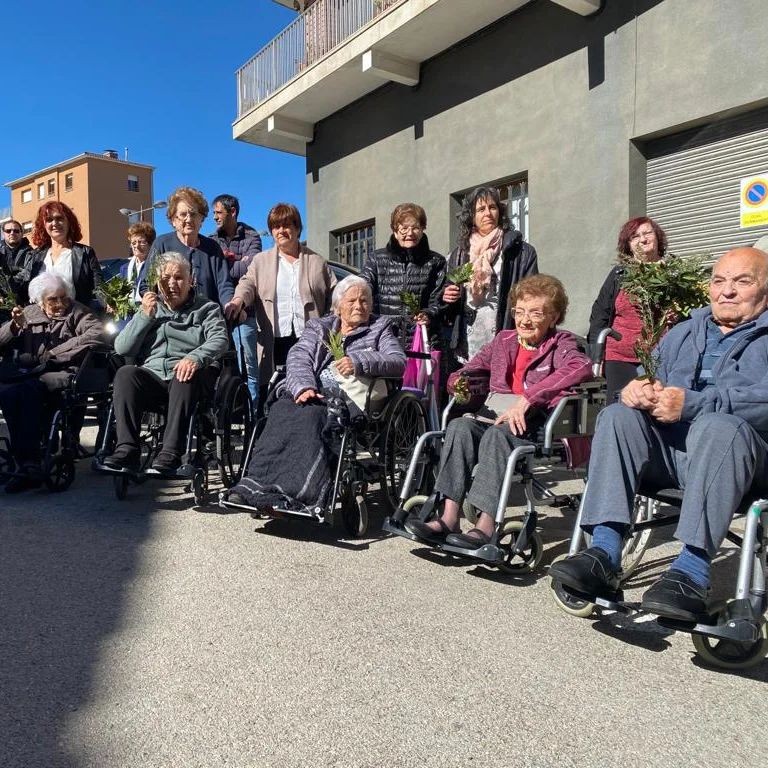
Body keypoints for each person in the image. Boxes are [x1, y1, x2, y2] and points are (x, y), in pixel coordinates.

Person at [551, 247, 768, 622]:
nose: (727, 290)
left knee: (719, 426)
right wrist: (636, 390)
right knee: (618, 416)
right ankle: (604, 554)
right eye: (719, 281)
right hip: (672, 455)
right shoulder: (684, 331)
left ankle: (691, 573)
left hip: (742, 462)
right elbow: (647, 378)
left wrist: (695, 405)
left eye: (742, 281)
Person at [406, 275, 591, 547]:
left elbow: (581, 367)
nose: (524, 320)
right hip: (496, 416)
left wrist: (529, 399)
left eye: (535, 313)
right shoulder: (504, 340)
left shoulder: (561, 343)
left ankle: (486, 525)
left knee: (496, 436)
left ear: (553, 317)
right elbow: (470, 368)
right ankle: (449, 517)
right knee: (459, 427)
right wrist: (458, 381)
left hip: (535, 423)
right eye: (520, 311)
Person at [226, 275, 405, 508]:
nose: (359, 306)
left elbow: (397, 361)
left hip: (346, 399)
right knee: (281, 412)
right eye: (352, 301)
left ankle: (298, 492)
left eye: (364, 301)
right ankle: (254, 486)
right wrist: (304, 387)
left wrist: (358, 361)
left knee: (313, 417)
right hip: (311, 390)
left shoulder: (379, 328)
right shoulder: (320, 327)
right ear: (337, 306)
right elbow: (299, 356)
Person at [101, 252, 229, 475]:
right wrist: (144, 316)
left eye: (178, 277)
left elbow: (220, 339)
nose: (172, 283)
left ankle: (171, 452)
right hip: (155, 377)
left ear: (191, 280)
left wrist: (194, 358)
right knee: (125, 373)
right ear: (157, 282)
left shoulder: (206, 308)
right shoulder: (150, 309)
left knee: (184, 375)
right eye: (166, 278)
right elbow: (122, 348)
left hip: (190, 378)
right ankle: (127, 449)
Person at [0, 273, 105, 493]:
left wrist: (56, 353)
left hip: (64, 372)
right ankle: (24, 459)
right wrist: (14, 327)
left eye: (63, 297)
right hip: (31, 372)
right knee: (9, 392)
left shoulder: (78, 311)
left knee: (30, 389)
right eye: (52, 299)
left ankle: (31, 461)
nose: (60, 304)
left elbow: (97, 333)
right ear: (39, 301)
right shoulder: (29, 313)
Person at [224, 203, 336, 405]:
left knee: (308, 393)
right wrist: (238, 300)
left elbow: (335, 294)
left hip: (309, 339)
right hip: (274, 341)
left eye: (286, 225)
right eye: (276, 227)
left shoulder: (317, 261)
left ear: (297, 228)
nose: (281, 231)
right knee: (273, 396)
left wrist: (332, 324)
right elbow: (247, 284)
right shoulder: (261, 261)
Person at [442, 186, 538, 362]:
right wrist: (447, 297)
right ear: (471, 217)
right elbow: (447, 305)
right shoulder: (458, 255)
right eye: (481, 209)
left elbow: (532, 297)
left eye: (492, 207)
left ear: (500, 212)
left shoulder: (522, 252)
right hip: (468, 343)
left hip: (506, 338)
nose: (488, 213)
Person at [587, 216, 668, 403]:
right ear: (628, 245)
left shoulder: (672, 272)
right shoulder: (620, 274)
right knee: (620, 407)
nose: (643, 239)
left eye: (647, 233)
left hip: (660, 356)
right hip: (620, 356)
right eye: (635, 236)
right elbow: (600, 313)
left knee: (656, 406)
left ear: (657, 237)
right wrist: (596, 355)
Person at [360, 202, 446, 347]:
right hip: (384, 340)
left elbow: (439, 300)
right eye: (404, 228)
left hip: (422, 339)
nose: (410, 233)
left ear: (423, 229)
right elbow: (362, 288)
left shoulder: (436, 261)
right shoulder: (376, 259)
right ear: (395, 231)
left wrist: (428, 314)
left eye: (416, 228)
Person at [209, 194, 263, 407]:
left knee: (249, 366)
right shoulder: (211, 240)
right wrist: (237, 260)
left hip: (245, 313)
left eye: (218, 212)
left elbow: (251, 269)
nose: (214, 217)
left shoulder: (252, 236)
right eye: (213, 213)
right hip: (218, 315)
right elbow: (215, 273)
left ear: (232, 212)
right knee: (217, 365)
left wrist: (225, 262)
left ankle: (253, 412)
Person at [146, 187, 233, 307]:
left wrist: (229, 304)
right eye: (183, 214)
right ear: (173, 220)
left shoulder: (213, 248)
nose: (189, 219)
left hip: (208, 315)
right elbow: (147, 283)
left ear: (201, 219)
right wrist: (152, 302)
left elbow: (224, 285)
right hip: (170, 315)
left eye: (193, 214)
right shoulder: (161, 244)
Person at [23, 202, 106, 310]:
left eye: (59, 218)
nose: (55, 223)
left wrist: (108, 302)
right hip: (43, 318)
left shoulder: (85, 253)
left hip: (75, 316)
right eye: (49, 220)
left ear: (69, 222)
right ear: (43, 225)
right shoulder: (35, 256)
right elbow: (24, 289)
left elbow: (99, 286)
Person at [121, 221, 156, 304]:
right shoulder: (124, 268)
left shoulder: (155, 265)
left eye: (141, 242)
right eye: (134, 243)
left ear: (150, 244)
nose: (137, 246)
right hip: (128, 310)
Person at [1, 219, 33, 306]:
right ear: (3, 233)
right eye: (8, 231)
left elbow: (28, 274)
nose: (12, 233)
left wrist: (7, 282)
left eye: (16, 231)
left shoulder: (31, 253)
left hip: (24, 301)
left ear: (21, 233)